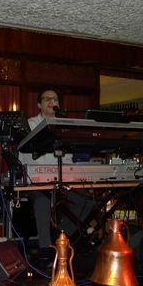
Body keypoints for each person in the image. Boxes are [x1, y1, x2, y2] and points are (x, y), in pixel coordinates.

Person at [19, 89, 94, 250]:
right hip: (35, 182)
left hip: (62, 179)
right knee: (43, 201)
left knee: (87, 201)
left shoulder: (63, 125)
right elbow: (31, 157)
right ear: (39, 104)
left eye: (55, 99)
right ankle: (46, 248)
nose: (52, 102)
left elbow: (68, 156)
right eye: (47, 99)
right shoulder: (30, 125)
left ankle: (61, 235)